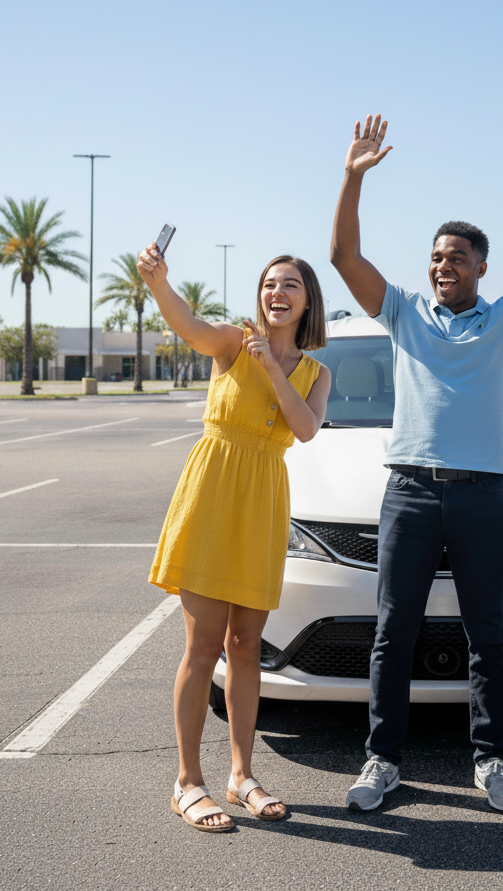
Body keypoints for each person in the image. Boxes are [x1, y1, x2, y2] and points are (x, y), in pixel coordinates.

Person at [330, 113, 503, 813]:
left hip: (481, 499)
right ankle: (382, 759)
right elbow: (343, 258)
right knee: (394, 632)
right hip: (410, 493)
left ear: (480, 267)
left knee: (487, 635)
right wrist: (352, 178)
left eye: (456, 258)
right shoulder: (405, 313)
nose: (443, 266)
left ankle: (492, 759)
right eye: (436, 257)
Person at [138, 244, 331, 832]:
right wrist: (158, 284)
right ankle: (187, 781)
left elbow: (304, 430)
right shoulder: (230, 340)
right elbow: (187, 325)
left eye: (291, 285)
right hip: (213, 494)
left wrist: (274, 368)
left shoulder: (316, 373)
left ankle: (242, 774)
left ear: (307, 301)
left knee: (247, 646)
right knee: (202, 648)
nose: (278, 292)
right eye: (271, 283)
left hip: (263, 501)